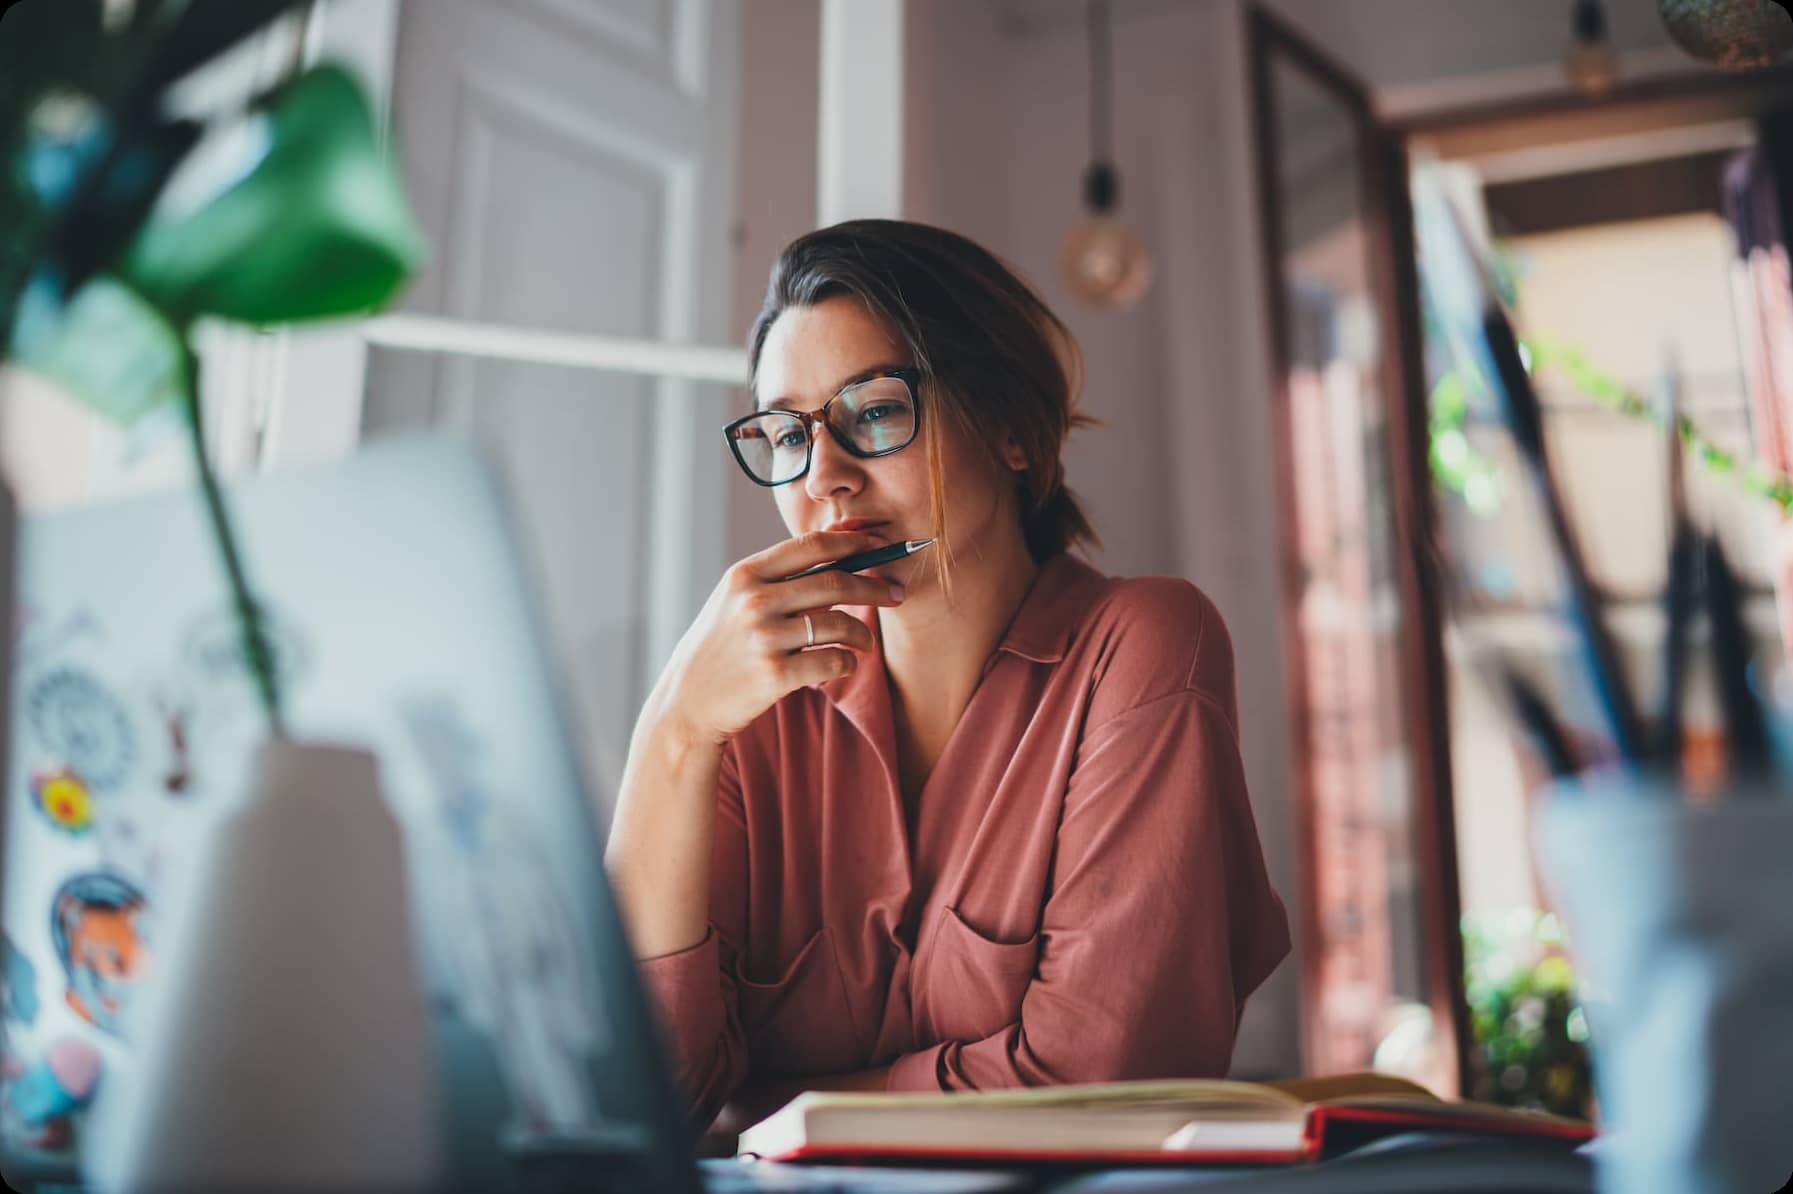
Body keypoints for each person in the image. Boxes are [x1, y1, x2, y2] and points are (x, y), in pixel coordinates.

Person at [604, 220, 1290, 1134]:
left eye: (875, 410)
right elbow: (637, 1103)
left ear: (1011, 428)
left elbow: (1101, 1081)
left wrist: (769, 1110)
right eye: (786, 434)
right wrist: (674, 732)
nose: (827, 482)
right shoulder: (745, 710)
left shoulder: (1142, 645)